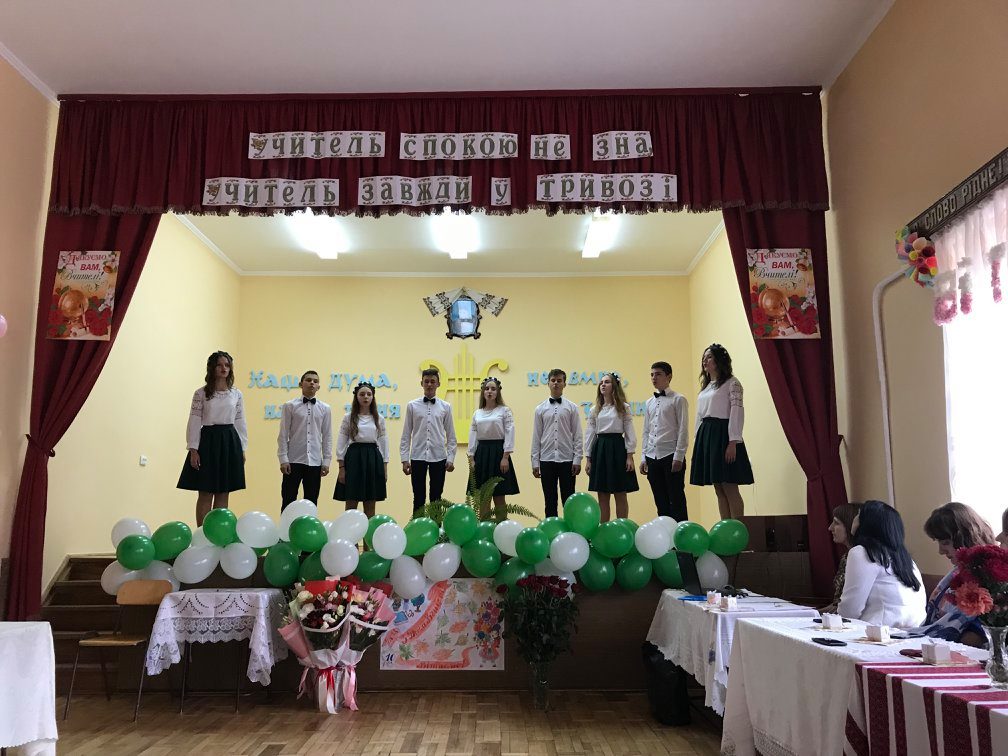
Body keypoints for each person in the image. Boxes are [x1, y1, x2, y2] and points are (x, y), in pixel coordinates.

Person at [177, 351, 247, 525]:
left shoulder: (237, 394)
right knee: (205, 492)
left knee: (223, 492)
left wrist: (242, 448)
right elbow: (194, 420)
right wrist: (193, 449)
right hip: (208, 441)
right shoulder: (201, 393)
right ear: (212, 368)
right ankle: (202, 533)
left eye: (227, 365)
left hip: (229, 441)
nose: (224, 368)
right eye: (219, 365)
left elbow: (240, 421)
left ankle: (218, 533)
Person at [837, 500, 926, 628]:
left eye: (859, 515)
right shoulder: (906, 559)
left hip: (879, 632)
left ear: (868, 523)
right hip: (915, 631)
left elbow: (849, 610)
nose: (854, 519)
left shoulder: (862, 552)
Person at [918, 502, 997, 646]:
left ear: (966, 537)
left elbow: (976, 637)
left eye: (945, 542)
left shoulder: (990, 576)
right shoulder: (959, 572)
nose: (941, 551)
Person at [690, 343, 753, 519]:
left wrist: (733, 441)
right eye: (704, 357)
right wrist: (698, 442)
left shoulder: (732, 383)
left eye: (709, 357)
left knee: (729, 486)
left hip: (723, 436)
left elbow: (736, 412)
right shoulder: (706, 387)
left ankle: (737, 528)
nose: (705, 360)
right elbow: (700, 416)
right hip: (707, 436)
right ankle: (725, 526)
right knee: (718, 488)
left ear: (719, 360)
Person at [400, 368, 457, 514]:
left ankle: (436, 528)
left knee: (436, 497)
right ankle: (418, 527)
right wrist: (404, 459)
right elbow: (406, 434)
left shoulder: (446, 407)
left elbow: (451, 435)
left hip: (439, 457)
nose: (429, 384)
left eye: (432, 381)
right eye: (426, 381)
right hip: (417, 456)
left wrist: (451, 458)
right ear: (422, 383)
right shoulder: (412, 406)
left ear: (438, 384)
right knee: (418, 497)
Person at [584, 372, 639, 522]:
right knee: (602, 494)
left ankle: (622, 526)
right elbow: (590, 434)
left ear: (614, 386)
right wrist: (588, 459)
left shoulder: (623, 408)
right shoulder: (595, 409)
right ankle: (604, 529)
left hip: (618, 449)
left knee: (620, 492)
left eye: (607, 382)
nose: (603, 384)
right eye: (601, 382)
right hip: (600, 449)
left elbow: (629, 431)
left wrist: (630, 456)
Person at [276, 370, 332, 510]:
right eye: (308, 380)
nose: (312, 383)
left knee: (311, 502)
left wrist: (326, 461)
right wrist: (283, 459)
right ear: (301, 384)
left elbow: (327, 436)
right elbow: (283, 433)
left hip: (315, 461)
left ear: (318, 386)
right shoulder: (289, 406)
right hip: (293, 460)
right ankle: (286, 525)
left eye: (315, 381)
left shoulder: (325, 409)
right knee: (288, 500)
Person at [640, 361, 689, 520]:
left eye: (658, 374)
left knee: (676, 499)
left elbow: (683, 429)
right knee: (660, 501)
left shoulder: (678, 399)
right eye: (652, 375)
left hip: (671, 455)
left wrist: (679, 456)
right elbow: (646, 431)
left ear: (669, 376)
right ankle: (665, 533)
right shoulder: (649, 402)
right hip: (652, 456)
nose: (654, 378)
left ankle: (681, 532)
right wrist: (643, 457)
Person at [531, 368, 583, 518]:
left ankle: (570, 530)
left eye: (559, 381)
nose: (556, 383)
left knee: (569, 500)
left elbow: (577, 435)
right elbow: (536, 436)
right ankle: (551, 529)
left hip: (567, 460)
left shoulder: (572, 408)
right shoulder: (540, 409)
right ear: (548, 383)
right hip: (546, 459)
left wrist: (577, 459)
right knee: (549, 501)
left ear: (564, 384)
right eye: (553, 380)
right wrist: (535, 461)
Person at [335, 381, 389, 518]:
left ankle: (368, 533)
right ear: (356, 397)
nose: (366, 397)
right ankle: (349, 532)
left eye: (369, 394)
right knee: (351, 501)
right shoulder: (348, 418)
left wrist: (385, 468)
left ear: (373, 397)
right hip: (354, 458)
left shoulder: (379, 418)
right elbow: (341, 442)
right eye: (362, 394)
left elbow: (384, 443)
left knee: (370, 502)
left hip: (373, 458)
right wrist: (341, 467)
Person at [468, 377, 519, 521]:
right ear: (483, 392)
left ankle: (501, 526)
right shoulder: (477, 413)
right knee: (483, 496)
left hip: (498, 453)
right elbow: (473, 435)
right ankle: (485, 528)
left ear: (498, 392)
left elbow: (509, 432)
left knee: (499, 495)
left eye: (493, 389)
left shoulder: (504, 411)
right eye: (487, 389)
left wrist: (505, 457)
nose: (489, 391)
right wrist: (471, 457)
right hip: (482, 454)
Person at [820, 502, 861, 615]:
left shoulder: (861, 557)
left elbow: (848, 609)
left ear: (850, 525)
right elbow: (837, 605)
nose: (830, 528)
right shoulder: (846, 557)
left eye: (836, 523)